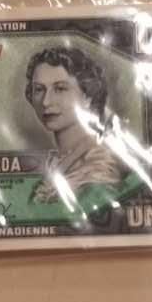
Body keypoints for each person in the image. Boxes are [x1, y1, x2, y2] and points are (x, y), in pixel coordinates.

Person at [25, 46, 122, 204]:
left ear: (88, 96)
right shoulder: (54, 162)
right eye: (39, 90)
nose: (46, 102)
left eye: (60, 89)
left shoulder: (98, 166)